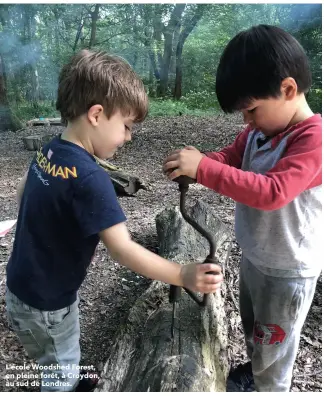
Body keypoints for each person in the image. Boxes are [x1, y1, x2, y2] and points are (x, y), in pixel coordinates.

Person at [5, 49, 223, 392]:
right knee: (58, 370)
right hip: (48, 304)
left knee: (55, 350)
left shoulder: (50, 149)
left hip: (22, 287)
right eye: (126, 126)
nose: (128, 137)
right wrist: (181, 274)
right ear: (96, 114)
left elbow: (23, 194)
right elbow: (122, 250)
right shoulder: (91, 178)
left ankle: (69, 372)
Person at [163, 25, 322, 392]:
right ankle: (258, 368)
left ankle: (271, 386)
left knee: (276, 346)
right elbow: (231, 159)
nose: (246, 121)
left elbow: (273, 192)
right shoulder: (257, 133)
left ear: (287, 89)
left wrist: (204, 168)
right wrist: (201, 163)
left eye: (251, 109)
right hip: (256, 257)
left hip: (288, 272)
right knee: (258, 331)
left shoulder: (314, 140)